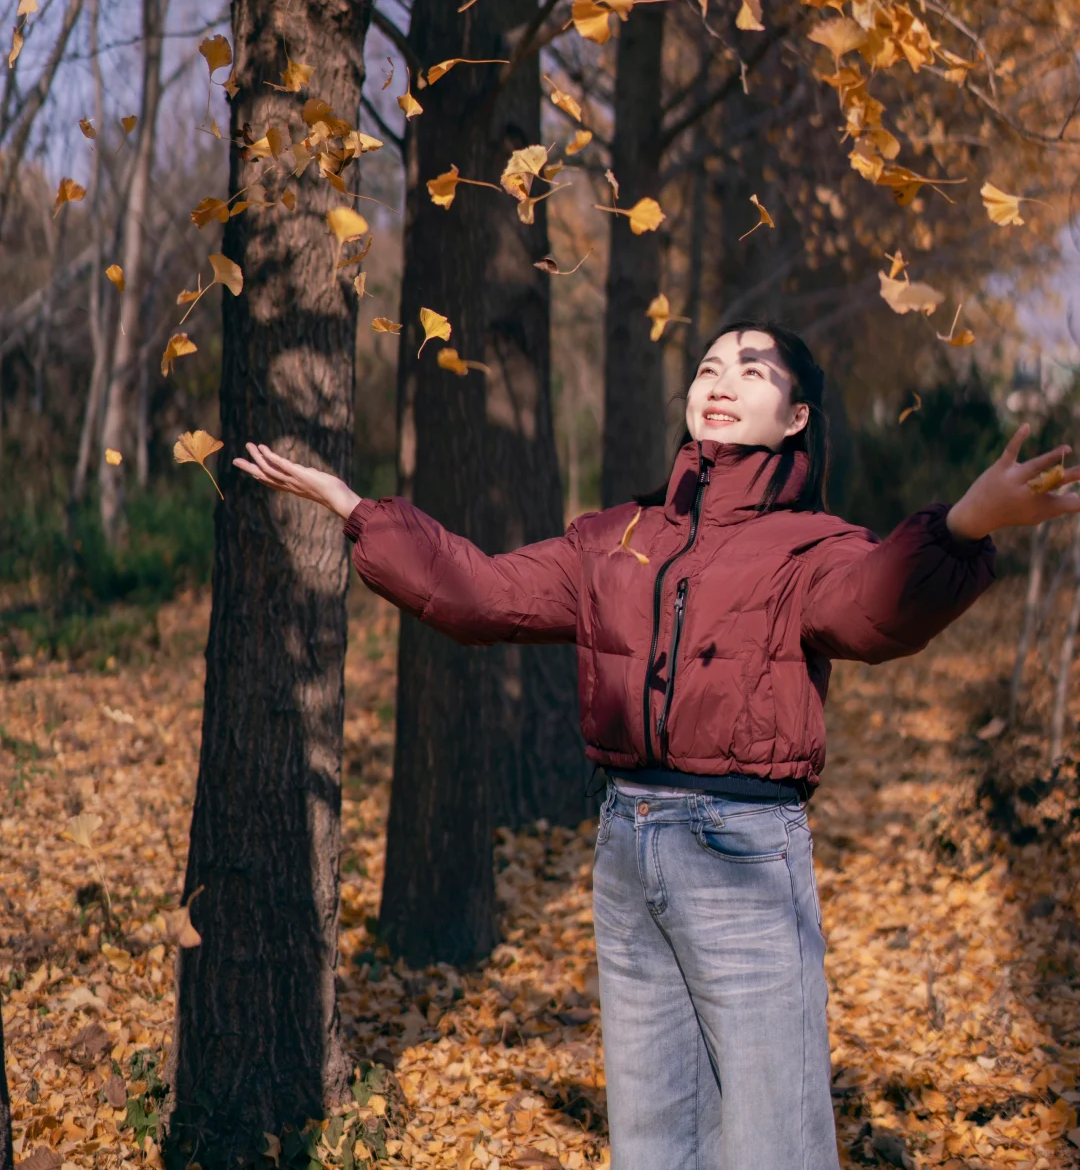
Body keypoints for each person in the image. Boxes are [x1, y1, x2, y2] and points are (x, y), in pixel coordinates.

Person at [235, 321, 1080, 1170]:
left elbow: (877, 606)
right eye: (710, 366)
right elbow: (481, 593)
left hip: (744, 854)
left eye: (753, 372)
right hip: (626, 849)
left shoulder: (810, 546)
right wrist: (356, 509)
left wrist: (965, 524)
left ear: (795, 418)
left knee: (772, 1140)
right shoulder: (615, 537)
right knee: (654, 1140)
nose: (722, 381)